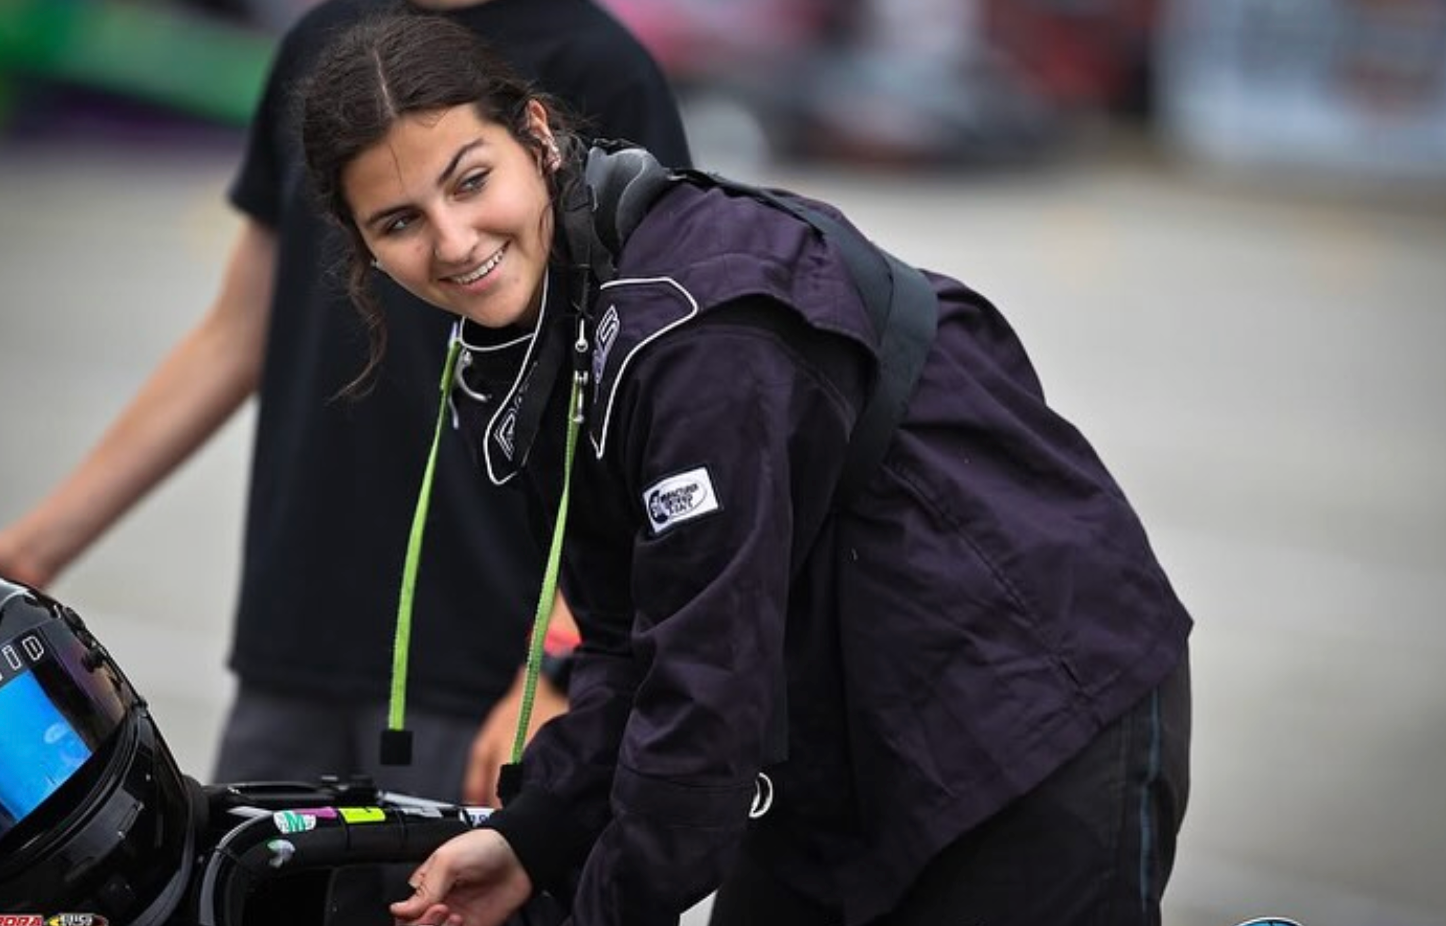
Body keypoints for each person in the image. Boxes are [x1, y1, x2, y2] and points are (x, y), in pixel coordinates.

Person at [297, 11, 1192, 926]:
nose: (453, 241)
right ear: (363, 245)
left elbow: (706, 691)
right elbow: (630, 641)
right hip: (841, 737)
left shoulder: (693, 332)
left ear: (536, 135)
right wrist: (535, 836)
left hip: (1033, 713)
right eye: (401, 222)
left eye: (471, 181)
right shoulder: (541, 327)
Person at [0, 0, 689, 921]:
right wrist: (29, 554)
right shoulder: (317, 48)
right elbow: (237, 330)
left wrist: (562, 663)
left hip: (493, 678)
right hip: (296, 648)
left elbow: (642, 385)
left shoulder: (599, 64)